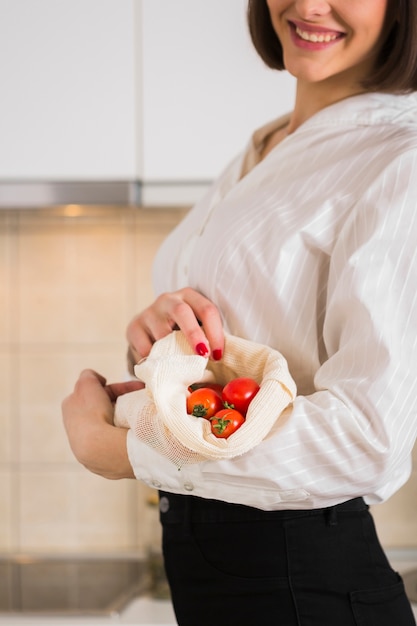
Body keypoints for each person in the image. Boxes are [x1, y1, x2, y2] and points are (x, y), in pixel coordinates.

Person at [62, 0, 417, 624]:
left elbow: (368, 439)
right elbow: (239, 357)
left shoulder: (400, 159)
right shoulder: (268, 147)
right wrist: (162, 343)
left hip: (301, 584)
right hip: (223, 577)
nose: (309, 5)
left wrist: (123, 450)